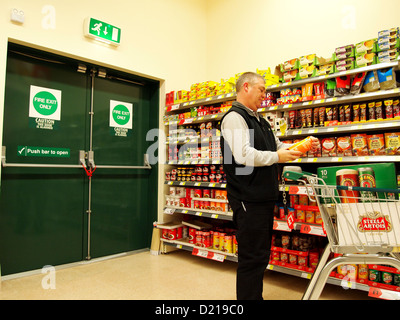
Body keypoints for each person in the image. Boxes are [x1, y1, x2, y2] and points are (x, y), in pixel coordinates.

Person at [220, 72, 319, 300]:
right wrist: (277, 157)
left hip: (262, 197)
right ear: (246, 87)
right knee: (252, 258)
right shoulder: (235, 118)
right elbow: (244, 155)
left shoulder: (261, 120)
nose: (265, 95)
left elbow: (278, 146)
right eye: (262, 89)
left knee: (260, 256)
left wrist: (303, 145)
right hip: (247, 198)